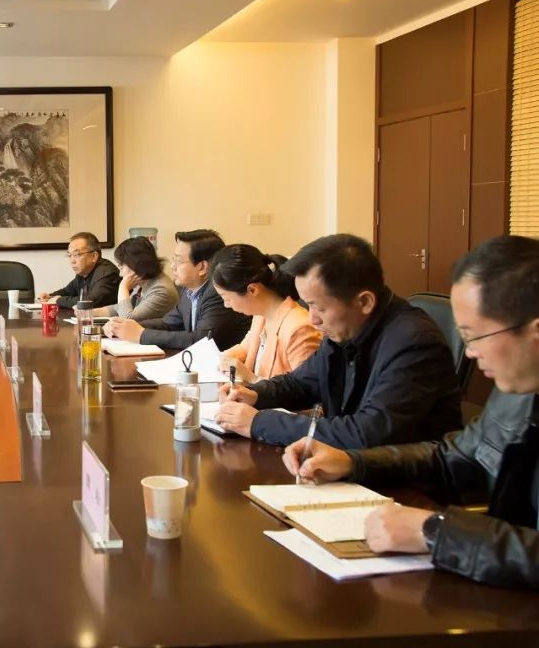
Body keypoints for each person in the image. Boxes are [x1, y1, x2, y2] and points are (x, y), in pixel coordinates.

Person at [283, 235, 539, 589]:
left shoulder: (415, 338)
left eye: (475, 336)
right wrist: (353, 462)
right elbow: (452, 457)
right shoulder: (518, 392)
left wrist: (435, 532)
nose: (468, 353)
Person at [216, 234, 461, 448]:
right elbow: (302, 383)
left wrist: (259, 422)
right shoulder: (346, 327)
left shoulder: (413, 343)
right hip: (350, 466)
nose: (312, 318)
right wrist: (254, 394)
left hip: (404, 480)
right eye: (308, 305)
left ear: (364, 302)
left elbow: (366, 432)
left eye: (319, 307)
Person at [105, 229, 250, 351]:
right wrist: (123, 327)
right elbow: (168, 323)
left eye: (179, 261)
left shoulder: (218, 293)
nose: (172, 266)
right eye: (173, 259)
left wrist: (141, 334)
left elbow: (201, 340)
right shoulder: (187, 290)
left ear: (202, 267)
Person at [212, 244, 323, 383]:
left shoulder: (299, 328)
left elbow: (306, 389)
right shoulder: (260, 316)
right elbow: (245, 349)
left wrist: (251, 378)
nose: (226, 305)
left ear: (252, 290)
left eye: (226, 298)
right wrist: (219, 360)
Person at [93, 236, 178, 322]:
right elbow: (119, 308)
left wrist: (123, 287)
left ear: (135, 264)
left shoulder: (161, 290)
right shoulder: (144, 282)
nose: (120, 274)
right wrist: (90, 312)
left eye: (121, 266)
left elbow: (127, 320)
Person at [39, 232, 120, 308]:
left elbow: (90, 301)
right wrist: (50, 296)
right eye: (69, 255)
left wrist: (58, 300)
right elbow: (68, 291)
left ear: (94, 256)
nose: (72, 261)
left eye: (76, 255)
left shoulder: (108, 273)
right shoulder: (83, 272)